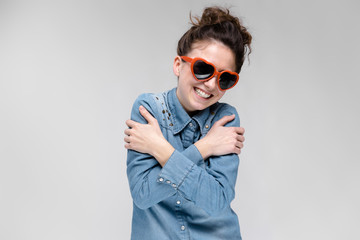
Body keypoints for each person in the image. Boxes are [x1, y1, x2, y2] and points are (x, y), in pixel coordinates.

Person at [124, 6, 252, 240]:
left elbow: (216, 201)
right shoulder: (148, 109)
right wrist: (206, 147)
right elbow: (143, 195)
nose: (212, 85)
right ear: (178, 65)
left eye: (225, 78)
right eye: (203, 68)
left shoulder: (225, 119)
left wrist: (160, 149)